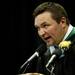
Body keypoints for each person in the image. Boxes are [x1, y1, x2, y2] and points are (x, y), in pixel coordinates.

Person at [32, 2, 75, 75]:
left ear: (62, 22)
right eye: (38, 28)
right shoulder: (44, 55)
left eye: (45, 25)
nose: (41, 33)